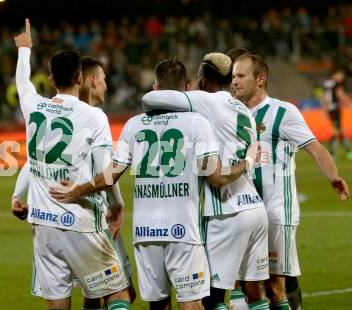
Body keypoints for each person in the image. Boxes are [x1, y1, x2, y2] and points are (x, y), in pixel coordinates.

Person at [50, 57, 258, 310]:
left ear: (155, 88)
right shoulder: (197, 124)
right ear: (187, 88)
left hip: (145, 233)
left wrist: (77, 189)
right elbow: (217, 177)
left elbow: (110, 175)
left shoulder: (133, 125)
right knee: (192, 305)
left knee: (158, 306)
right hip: (184, 232)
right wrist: (247, 161)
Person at [13, 19, 131, 310]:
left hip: (43, 226)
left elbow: (22, 82)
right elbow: (107, 173)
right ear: (81, 77)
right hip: (79, 221)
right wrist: (115, 205)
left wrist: (24, 50)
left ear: (51, 80)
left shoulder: (34, 106)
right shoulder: (93, 117)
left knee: (58, 304)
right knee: (118, 294)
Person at [140, 53, 270, 310]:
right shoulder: (243, 109)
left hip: (227, 211)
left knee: (210, 297)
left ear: (203, 80)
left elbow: (152, 98)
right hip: (255, 208)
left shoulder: (205, 101)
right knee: (255, 292)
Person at [232, 53, 349, 309]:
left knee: (276, 286)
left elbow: (316, 148)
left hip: (276, 212)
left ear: (260, 79)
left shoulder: (282, 112)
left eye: (241, 76)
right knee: (245, 285)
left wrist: (333, 176)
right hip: (243, 213)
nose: (234, 82)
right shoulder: (232, 114)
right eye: (233, 76)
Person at [321, 66, 352, 160]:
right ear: (335, 74)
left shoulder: (327, 83)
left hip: (330, 109)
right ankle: (333, 153)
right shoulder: (336, 84)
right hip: (335, 109)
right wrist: (348, 102)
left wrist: (325, 110)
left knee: (338, 130)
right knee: (337, 131)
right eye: (340, 74)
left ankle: (347, 152)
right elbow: (340, 94)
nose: (342, 77)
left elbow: (323, 97)